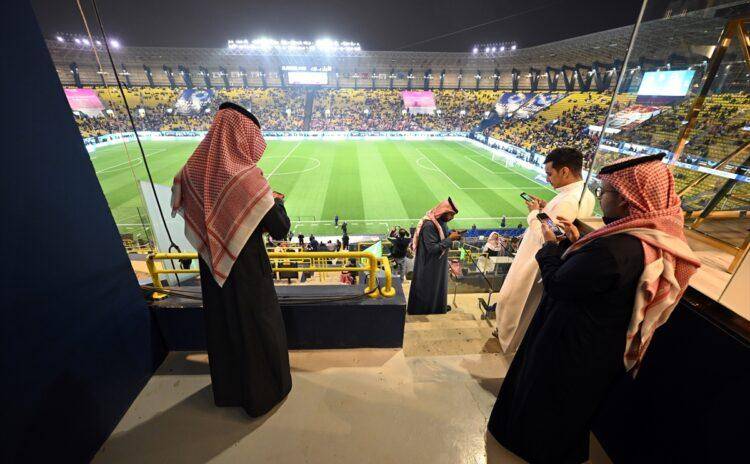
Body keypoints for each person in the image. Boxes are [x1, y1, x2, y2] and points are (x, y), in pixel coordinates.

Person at [487, 154, 700, 463]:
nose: (601, 197)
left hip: (574, 341)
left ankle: (533, 448)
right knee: (575, 404)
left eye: (607, 192)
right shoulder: (647, 240)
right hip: (602, 345)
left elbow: (560, 284)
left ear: (628, 200)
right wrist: (574, 242)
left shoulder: (616, 250)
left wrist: (550, 246)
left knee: (549, 400)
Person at [171, 102, 292, 417]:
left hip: (212, 267)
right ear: (242, 134)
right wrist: (273, 202)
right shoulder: (247, 178)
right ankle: (263, 394)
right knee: (255, 326)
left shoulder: (192, 170)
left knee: (223, 325)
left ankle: (228, 391)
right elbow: (280, 229)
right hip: (249, 270)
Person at [495, 147, 596, 353]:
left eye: (550, 173)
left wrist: (533, 214)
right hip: (544, 260)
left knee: (515, 302)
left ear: (565, 171)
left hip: (534, 263)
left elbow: (548, 235)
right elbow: (560, 222)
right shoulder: (580, 194)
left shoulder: (569, 198)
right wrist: (545, 208)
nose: (547, 178)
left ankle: (511, 344)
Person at [406, 198, 461, 314]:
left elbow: (443, 237)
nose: (452, 218)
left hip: (438, 264)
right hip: (429, 265)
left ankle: (437, 307)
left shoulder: (442, 223)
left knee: (437, 287)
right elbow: (432, 249)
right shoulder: (429, 225)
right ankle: (425, 310)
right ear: (444, 212)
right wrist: (450, 239)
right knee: (428, 288)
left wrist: (451, 235)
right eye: (451, 215)